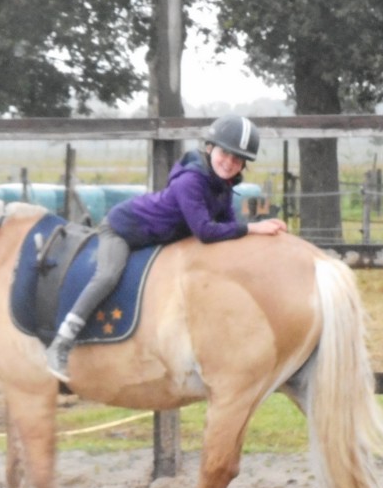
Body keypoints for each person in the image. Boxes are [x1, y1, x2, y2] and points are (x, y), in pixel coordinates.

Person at [45, 114, 289, 381]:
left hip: (155, 239)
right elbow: (205, 231)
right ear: (209, 148)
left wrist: (254, 236)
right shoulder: (191, 181)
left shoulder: (223, 187)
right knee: (108, 275)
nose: (229, 163)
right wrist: (253, 228)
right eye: (225, 153)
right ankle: (61, 341)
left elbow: (229, 227)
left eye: (237, 159)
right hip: (122, 229)